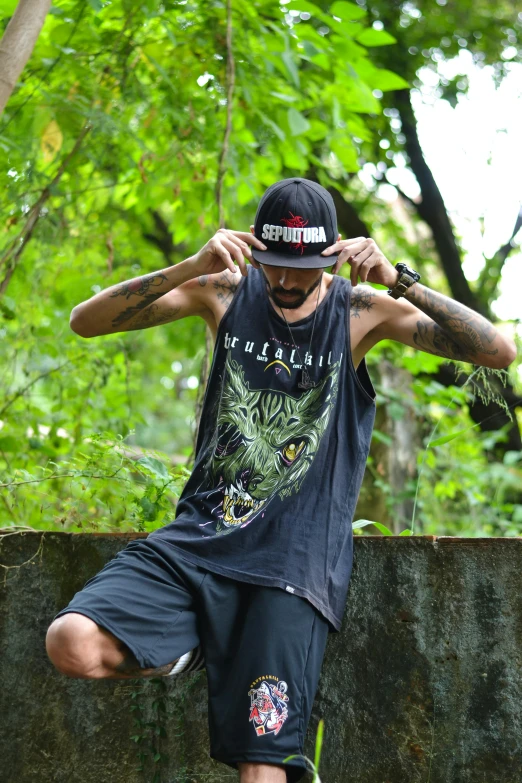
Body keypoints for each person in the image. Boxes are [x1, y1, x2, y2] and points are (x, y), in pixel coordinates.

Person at [45, 177, 516, 782]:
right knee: (71, 642)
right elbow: (87, 322)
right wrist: (190, 265)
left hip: (291, 568)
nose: (288, 282)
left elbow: (498, 352)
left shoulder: (359, 312)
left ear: (332, 255)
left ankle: (219, 649)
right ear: (254, 250)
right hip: (199, 543)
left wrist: (402, 280)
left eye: (303, 269)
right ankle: (190, 649)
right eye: (274, 265)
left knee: (262, 770)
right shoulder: (221, 293)